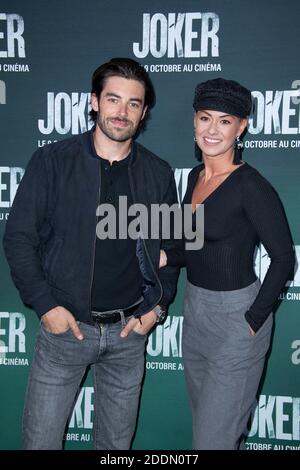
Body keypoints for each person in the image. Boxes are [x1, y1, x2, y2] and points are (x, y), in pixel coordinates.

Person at [3, 57, 179, 450]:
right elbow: (18, 238)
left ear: (144, 111)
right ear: (94, 101)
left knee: (115, 450)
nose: (122, 112)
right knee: (40, 444)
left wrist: (156, 308)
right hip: (66, 330)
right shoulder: (51, 161)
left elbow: (170, 249)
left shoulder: (158, 173)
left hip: (129, 333)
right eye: (113, 99)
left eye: (133, 103)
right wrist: (47, 306)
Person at [160, 78, 295, 450]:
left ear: (242, 127)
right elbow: (195, 245)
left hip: (237, 318)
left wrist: (254, 319)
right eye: (205, 118)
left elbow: (284, 259)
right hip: (196, 312)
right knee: (208, 431)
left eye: (224, 121)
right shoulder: (193, 177)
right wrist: (165, 256)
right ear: (194, 121)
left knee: (212, 441)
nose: (212, 130)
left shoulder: (251, 186)